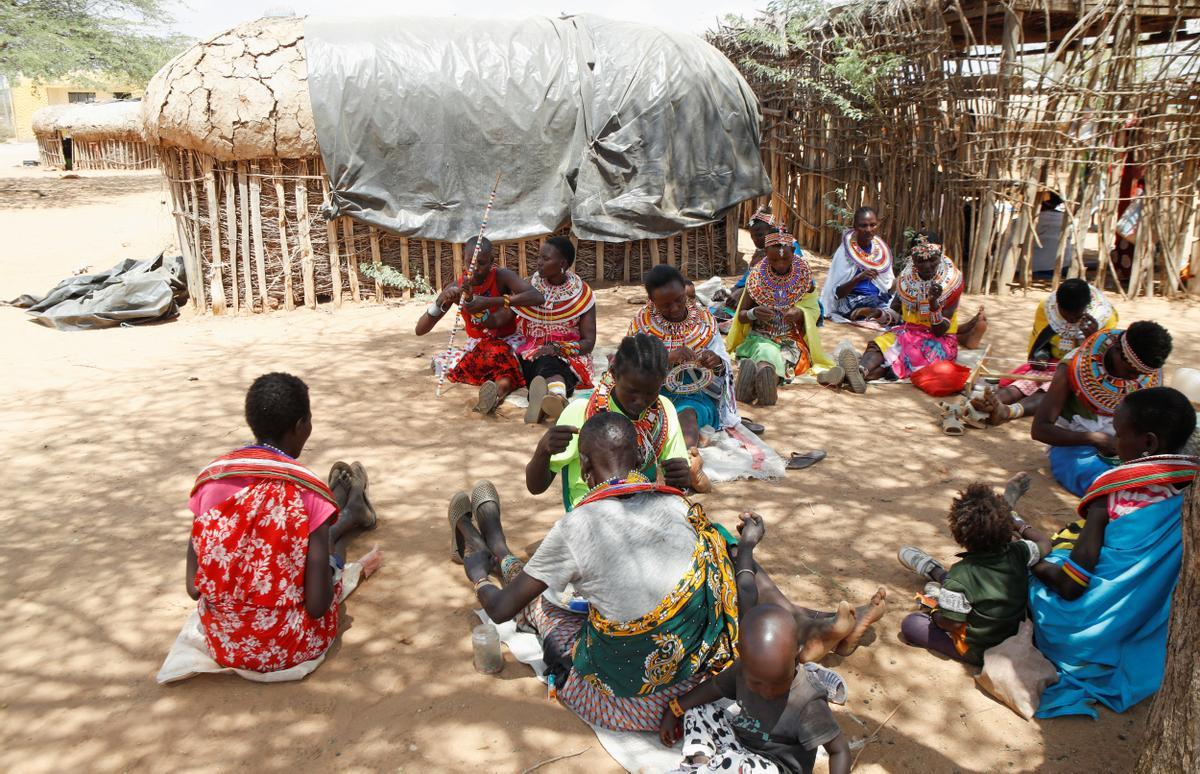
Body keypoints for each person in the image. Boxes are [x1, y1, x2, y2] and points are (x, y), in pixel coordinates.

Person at [454, 412, 740, 731]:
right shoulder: (680, 506)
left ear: (585, 464)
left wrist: (478, 577)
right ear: (641, 456)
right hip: (698, 686)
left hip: (629, 706)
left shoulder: (577, 527)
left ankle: (494, 551)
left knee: (544, 607)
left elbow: (501, 609)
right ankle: (495, 545)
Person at [185, 373, 383, 673]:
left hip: (224, 642)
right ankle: (348, 517)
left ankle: (348, 514)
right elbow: (317, 606)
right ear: (301, 426)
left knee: (310, 543)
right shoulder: (306, 489)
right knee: (330, 554)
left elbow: (193, 587)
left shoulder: (212, 479)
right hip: (290, 645)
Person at [1027, 387, 1199, 718]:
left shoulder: (1113, 495)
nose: (1113, 441)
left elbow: (1071, 585)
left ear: (1148, 443)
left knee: (1049, 564)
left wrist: (1034, 561)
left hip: (1081, 638)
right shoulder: (1189, 493)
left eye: (1119, 435)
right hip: (1149, 637)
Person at [658, 606, 852, 774]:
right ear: (741, 653)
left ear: (797, 656)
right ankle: (700, 763)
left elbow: (839, 751)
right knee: (698, 711)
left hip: (775, 768)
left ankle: (706, 767)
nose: (767, 691)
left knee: (737, 764)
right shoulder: (742, 669)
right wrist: (675, 709)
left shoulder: (808, 702)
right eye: (757, 683)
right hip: (740, 746)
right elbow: (714, 686)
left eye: (778, 682)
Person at [526, 333, 691, 511]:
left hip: (644, 509)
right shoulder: (581, 411)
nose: (640, 401)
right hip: (589, 513)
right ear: (613, 373)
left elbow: (677, 479)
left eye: (650, 392)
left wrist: (683, 477)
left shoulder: (664, 410)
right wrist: (543, 450)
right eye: (632, 391)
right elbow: (536, 487)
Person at [895, 473, 1037, 664]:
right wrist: (1019, 525)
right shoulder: (1020, 551)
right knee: (967, 587)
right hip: (1014, 637)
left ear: (959, 535)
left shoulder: (961, 574)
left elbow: (952, 623)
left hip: (978, 651)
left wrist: (935, 615)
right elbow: (1044, 543)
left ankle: (937, 590)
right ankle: (936, 575)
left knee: (911, 624)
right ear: (1007, 528)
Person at [629, 264, 739, 491]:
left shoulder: (705, 320)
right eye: (665, 305)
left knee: (687, 415)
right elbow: (630, 366)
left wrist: (714, 360)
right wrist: (667, 357)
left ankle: (686, 463)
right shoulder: (641, 323)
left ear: (685, 291)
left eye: (679, 299)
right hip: (651, 392)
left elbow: (723, 364)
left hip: (694, 391)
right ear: (651, 300)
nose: (675, 307)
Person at [1032, 321, 1171, 496]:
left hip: (1127, 448)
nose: (1134, 379)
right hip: (1075, 447)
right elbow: (1040, 429)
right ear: (1119, 353)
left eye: (1140, 375)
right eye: (1130, 372)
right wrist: (1095, 438)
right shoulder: (1073, 366)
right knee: (1110, 486)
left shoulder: (1146, 372)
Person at [837, 232, 986, 393]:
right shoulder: (905, 281)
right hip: (907, 333)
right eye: (921, 261)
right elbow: (895, 315)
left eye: (932, 259)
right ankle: (859, 371)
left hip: (939, 340)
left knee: (901, 357)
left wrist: (934, 304)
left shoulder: (952, 283)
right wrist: (875, 312)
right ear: (912, 259)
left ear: (941, 255)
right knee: (879, 345)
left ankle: (850, 376)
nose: (927, 265)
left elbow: (940, 330)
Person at [416, 236, 545, 414]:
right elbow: (420, 330)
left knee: (500, 355)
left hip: (507, 341)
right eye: (470, 262)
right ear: (463, 261)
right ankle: (496, 388)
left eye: (482, 263)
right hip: (478, 345)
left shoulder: (502, 277)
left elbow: (536, 297)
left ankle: (497, 392)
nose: (475, 268)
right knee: (474, 357)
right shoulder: (456, 288)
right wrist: (439, 302)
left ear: (492, 261)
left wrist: (490, 301)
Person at [972, 279, 1117, 425]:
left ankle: (1008, 411)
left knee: (1051, 389)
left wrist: (1093, 337)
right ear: (1058, 306)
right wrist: (1042, 356)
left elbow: (1106, 363)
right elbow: (1040, 344)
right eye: (1065, 316)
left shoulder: (1106, 317)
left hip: (1080, 370)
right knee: (1024, 383)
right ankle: (986, 404)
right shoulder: (1047, 309)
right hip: (1051, 363)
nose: (1070, 320)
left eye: (1076, 316)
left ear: (1086, 307)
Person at [727, 228, 835, 406]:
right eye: (773, 259)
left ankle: (758, 383)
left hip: (791, 339)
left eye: (786, 258)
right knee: (766, 351)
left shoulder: (804, 279)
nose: (780, 264)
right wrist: (754, 313)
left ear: (794, 252)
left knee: (789, 359)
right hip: (760, 337)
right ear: (765, 255)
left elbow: (814, 311)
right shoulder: (756, 278)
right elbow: (742, 317)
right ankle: (764, 379)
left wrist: (800, 313)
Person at [512, 236, 596, 423]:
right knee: (530, 361)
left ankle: (551, 398)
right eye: (539, 257)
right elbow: (507, 315)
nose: (539, 262)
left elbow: (589, 343)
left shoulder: (581, 295)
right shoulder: (529, 287)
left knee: (549, 362)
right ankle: (554, 397)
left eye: (546, 259)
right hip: (529, 352)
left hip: (567, 354)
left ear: (563, 264)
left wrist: (557, 348)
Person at [819, 206, 894, 321]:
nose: (869, 229)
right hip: (851, 300)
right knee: (871, 303)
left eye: (873, 225)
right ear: (855, 227)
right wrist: (859, 278)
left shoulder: (880, 252)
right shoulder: (844, 253)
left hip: (878, 297)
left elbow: (887, 283)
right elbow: (837, 293)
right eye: (863, 225)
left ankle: (877, 312)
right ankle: (876, 312)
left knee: (899, 298)